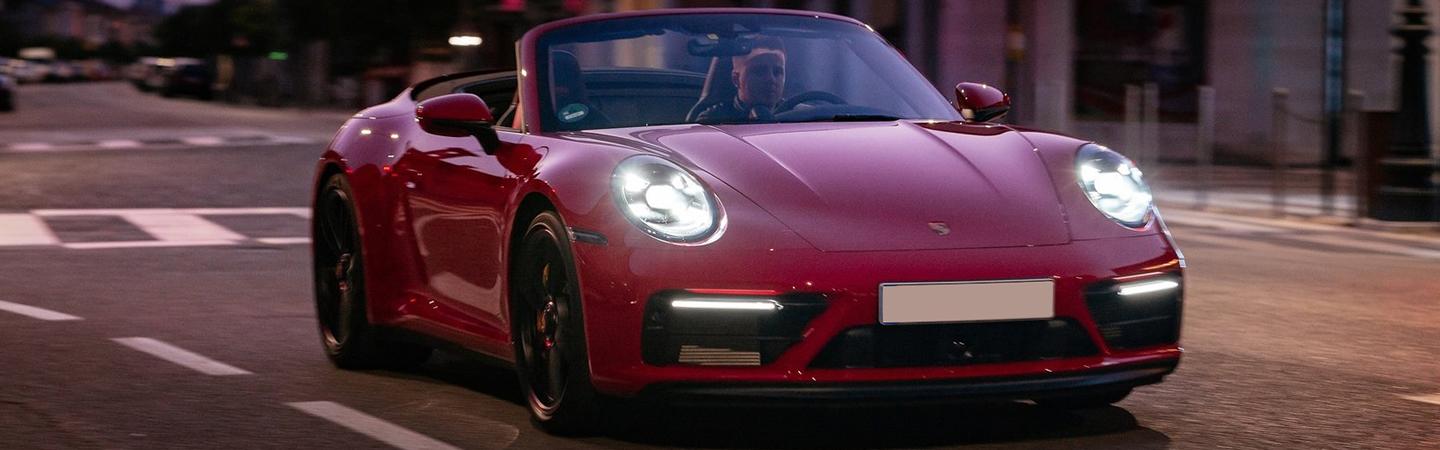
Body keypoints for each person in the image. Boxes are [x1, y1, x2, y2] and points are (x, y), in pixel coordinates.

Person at [695, 37, 787, 123]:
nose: (771, 79)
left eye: (777, 72)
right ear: (736, 79)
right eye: (759, 72)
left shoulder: (795, 113)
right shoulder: (713, 121)